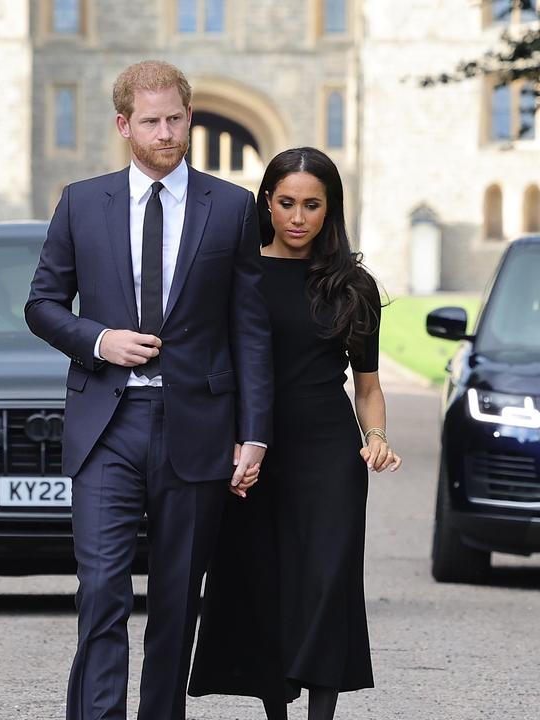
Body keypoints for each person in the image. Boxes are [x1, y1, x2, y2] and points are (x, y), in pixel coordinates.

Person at [25, 60, 273, 720]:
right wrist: (101, 341)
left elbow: (249, 330)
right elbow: (42, 304)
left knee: (175, 599)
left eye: (176, 119)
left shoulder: (230, 206)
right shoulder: (82, 202)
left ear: (190, 117)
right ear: (123, 125)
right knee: (102, 590)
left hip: (198, 425)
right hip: (108, 423)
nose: (166, 133)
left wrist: (254, 433)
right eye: (152, 121)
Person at [189, 147, 402, 720]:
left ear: (330, 210)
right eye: (286, 203)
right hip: (252, 448)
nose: (299, 217)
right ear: (266, 202)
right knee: (263, 581)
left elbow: (368, 384)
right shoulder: (239, 274)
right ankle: (275, 711)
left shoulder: (352, 285)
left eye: (312, 205)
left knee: (327, 584)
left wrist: (376, 435)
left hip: (329, 455)